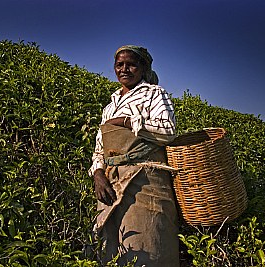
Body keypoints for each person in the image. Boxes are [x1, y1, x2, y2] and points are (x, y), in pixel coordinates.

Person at [89, 45, 179, 266]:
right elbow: (100, 148)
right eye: (119, 65)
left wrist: (128, 122)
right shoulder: (110, 106)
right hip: (112, 180)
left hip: (145, 180)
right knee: (110, 245)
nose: (124, 69)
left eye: (131, 64)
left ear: (142, 68)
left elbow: (168, 131)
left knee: (147, 243)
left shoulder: (155, 94)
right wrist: (98, 175)